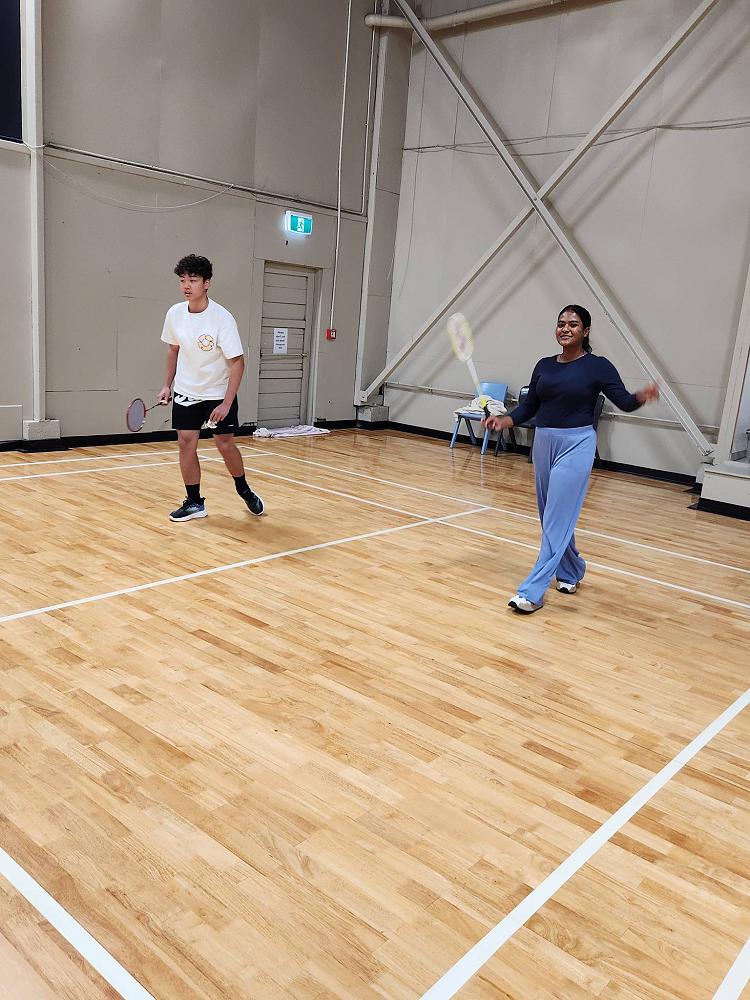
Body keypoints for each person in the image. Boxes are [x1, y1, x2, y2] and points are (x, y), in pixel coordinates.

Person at [484, 304, 659, 614]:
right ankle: (571, 570)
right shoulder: (544, 365)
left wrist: (641, 396)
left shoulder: (597, 366)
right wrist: (505, 420)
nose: (565, 328)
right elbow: (529, 407)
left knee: (556, 518)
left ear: (585, 331)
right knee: (551, 515)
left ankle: (532, 592)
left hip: (577, 444)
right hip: (544, 442)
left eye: (573, 324)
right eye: (561, 323)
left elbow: (624, 402)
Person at [158, 254, 265, 522]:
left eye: (193, 280)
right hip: (186, 391)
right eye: (182, 280)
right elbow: (173, 350)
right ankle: (194, 502)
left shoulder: (221, 318)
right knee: (185, 443)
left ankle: (243, 489)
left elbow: (238, 362)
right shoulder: (174, 314)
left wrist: (227, 403)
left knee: (224, 444)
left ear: (206, 283)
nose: (186, 286)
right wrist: (167, 385)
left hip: (217, 393)